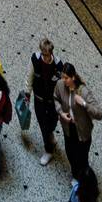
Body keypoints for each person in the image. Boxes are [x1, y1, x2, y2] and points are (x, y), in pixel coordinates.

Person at [55, 64, 102, 179]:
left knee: (82, 158)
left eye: (66, 78)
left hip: (82, 131)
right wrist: (61, 112)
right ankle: (76, 176)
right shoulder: (60, 85)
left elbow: (99, 114)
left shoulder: (83, 92)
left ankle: (85, 179)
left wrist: (84, 104)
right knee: (70, 153)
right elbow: (55, 98)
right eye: (62, 77)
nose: (63, 80)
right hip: (68, 127)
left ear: (73, 78)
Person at [24, 38, 64, 166]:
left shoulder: (58, 65)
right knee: (43, 125)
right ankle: (48, 150)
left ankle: (50, 134)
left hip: (53, 101)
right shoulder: (35, 60)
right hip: (39, 99)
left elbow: (61, 85)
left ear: (51, 53)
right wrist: (27, 93)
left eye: (47, 55)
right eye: (43, 54)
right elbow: (29, 76)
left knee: (52, 122)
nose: (45, 57)